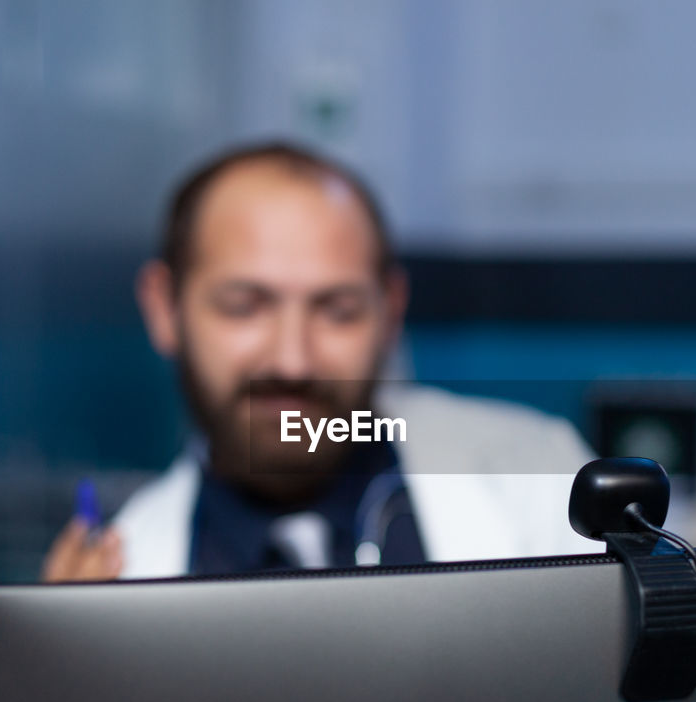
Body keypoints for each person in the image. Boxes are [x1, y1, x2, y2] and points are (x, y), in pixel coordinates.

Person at [42, 141, 598, 582]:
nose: (292, 360)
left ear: (391, 313)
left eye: (338, 310)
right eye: (244, 307)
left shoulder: (540, 482)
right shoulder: (122, 579)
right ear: (165, 310)